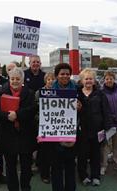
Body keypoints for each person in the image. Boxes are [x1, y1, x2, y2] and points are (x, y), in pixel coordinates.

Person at [0, 67, 37, 191]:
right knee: (11, 167)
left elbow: (33, 110)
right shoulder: (2, 91)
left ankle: (25, 188)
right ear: (9, 79)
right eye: (12, 78)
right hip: (7, 136)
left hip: (25, 136)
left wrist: (17, 114)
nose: (15, 81)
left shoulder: (30, 92)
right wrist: (7, 116)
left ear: (22, 79)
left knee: (26, 168)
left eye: (17, 79)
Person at [77, 68, 111, 186]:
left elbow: (106, 111)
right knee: (82, 154)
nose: (88, 81)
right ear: (82, 80)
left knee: (96, 154)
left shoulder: (100, 94)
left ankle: (95, 176)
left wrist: (107, 127)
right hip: (82, 130)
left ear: (94, 80)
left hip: (97, 130)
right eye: (86, 79)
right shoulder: (76, 94)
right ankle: (83, 176)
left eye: (91, 78)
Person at [51, 63, 78, 191]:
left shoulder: (77, 89)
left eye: (67, 74)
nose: (65, 76)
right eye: (62, 74)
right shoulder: (48, 90)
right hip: (54, 137)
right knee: (56, 167)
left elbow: (85, 109)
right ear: (57, 75)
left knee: (70, 166)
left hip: (72, 134)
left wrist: (81, 107)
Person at [100, 71, 117, 175]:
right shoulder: (101, 91)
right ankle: (103, 165)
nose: (109, 80)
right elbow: (100, 107)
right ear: (104, 80)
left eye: (111, 78)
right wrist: (108, 118)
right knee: (105, 145)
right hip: (106, 123)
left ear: (114, 79)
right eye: (107, 79)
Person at [35, 72, 55, 184]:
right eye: (48, 79)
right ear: (45, 81)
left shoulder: (59, 92)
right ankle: (45, 174)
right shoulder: (39, 93)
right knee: (44, 152)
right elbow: (36, 109)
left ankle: (54, 172)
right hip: (44, 127)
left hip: (56, 128)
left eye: (52, 79)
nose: (51, 81)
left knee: (55, 152)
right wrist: (41, 120)